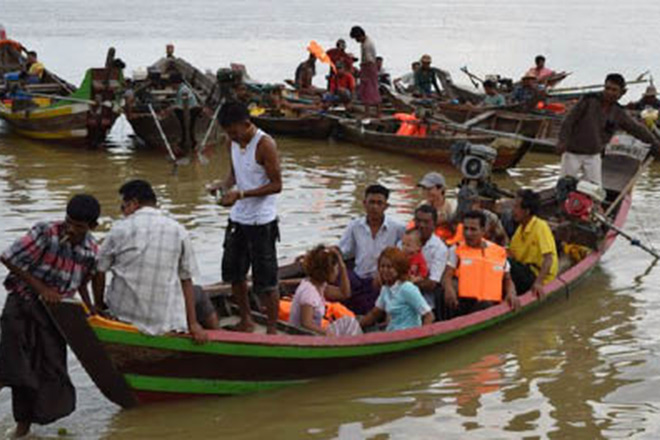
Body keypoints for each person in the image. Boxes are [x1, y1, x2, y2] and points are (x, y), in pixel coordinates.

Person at [0, 195, 101, 438]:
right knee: (13, 368)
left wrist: (92, 309)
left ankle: (21, 432)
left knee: (47, 374)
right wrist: (42, 289)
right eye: (69, 222)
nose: (71, 229)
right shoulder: (46, 232)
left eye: (79, 226)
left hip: (55, 317)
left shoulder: (91, 250)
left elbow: (87, 278)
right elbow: (8, 257)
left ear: (92, 227)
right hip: (23, 305)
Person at [93, 180, 212, 340]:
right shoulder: (178, 230)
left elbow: (99, 271)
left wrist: (99, 306)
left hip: (122, 317)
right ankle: (218, 334)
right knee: (199, 293)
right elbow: (186, 280)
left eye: (123, 207)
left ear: (134, 204)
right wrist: (193, 325)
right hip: (165, 323)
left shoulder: (119, 229)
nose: (123, 213)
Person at [211, 101, 282, 334]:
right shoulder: (232, 142)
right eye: (228, 133)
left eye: (233, 132)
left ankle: (272, 330)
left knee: (267, 281)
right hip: (238, 218)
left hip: (262, 221)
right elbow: (235, 173)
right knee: (234, 273)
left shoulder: (265, 145)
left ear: (246, 124)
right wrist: (222, 185)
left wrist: (241, 194)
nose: (231, 136)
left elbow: (276, 185)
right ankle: (246, 320)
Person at [557, 73, 660, 186]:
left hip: (593, 155)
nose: (610, 92)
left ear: (622, 92)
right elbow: (568, 121)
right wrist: (562, 141)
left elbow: (637, 129)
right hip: (573, 152)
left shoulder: (619, 112)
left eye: (614, 90)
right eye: (607, 88)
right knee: (564, 185)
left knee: (595, 189)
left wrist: (654, 143)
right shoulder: (588, 101)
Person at [338, 184, 406, 315]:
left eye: (379, 203)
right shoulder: (354, 226)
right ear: (364, 204)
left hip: (382, 281)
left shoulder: (398, 228)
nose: (375, 207)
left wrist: (384, 275)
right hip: (358, 277)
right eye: (371, 202)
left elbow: (403, 255)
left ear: (386, 206)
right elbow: (344, 251)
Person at [442, 210, 519, 318]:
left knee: (485, 304)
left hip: (489, 302)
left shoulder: (498, 251)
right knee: (441, 293)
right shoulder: (456, 249)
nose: (468, 233)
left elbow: (507, 279)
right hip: (464, 303)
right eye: (466, 229)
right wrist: (448, 289)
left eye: (473, 229)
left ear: (483, 231)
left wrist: (511, 292)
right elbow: (448, 275)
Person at [360, 247, 434, 331]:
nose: (385, 270)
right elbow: (375, 313)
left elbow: (429, 315)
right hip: (391, 333)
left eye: (389, 267)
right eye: (382, 266)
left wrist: (421, 336)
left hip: (408, 335)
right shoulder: (386, 289)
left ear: (399, 268)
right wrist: (357, 325)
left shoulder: (407, 288)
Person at [288, 245, 354, 335]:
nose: (337, 272)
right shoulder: (309, 292)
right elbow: (306, 324)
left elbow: (344, 293)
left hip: (313, 334)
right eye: (336, 268)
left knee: (349, 323)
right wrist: (329, 333)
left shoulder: (320, 286)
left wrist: (342, 266)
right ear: (327, 270)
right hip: (303, 338)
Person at [508, 189, 559, 297]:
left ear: (527, 211)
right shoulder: (520, 229)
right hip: (525, 272)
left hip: (538, 275)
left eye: (516, 207)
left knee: (507, 264)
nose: (513, 210)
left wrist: (538, 283)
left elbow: (548, 258)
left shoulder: (540, 226)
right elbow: (512, 254)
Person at [412, 205, 449, 313]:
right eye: (418, 221)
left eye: (426, 222)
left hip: (426, 301)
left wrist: (404, 283)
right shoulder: (404, 242)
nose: (421, 225)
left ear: (434, 224)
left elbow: (432, 283)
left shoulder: (440, 248)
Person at [350, 25, 381, 117]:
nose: (356, 41)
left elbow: (368, 60)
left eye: (356, 38)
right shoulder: (366, 42)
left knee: (368, 90)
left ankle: (370, 113)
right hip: (369, 67)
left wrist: (362, 70)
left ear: (360, 36)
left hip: (369, 68)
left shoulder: (367, 44)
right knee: (369, 89)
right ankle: (374, 112)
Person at [416, 171, 456, 241]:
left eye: (429, 189)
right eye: (424, 189)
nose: (425, 192)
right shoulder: (422, 205)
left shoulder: (453, 206)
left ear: (441, 189)